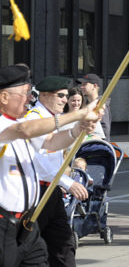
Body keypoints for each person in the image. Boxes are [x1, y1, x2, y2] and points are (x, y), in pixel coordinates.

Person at [0, 65, 102, 267]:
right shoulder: (8, 124)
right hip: (4, 223)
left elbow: (52, 142)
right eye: (24, 93)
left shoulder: (20, 121)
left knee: (45, 258)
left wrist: (77, 129)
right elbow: (24, 130)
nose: (29, 98)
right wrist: (78, 114)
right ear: (4, 97)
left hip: (27, 221)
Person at [25, 76, 91, 267]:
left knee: (63, 243)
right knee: (29, 247)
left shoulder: (54, 119)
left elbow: (57, 146)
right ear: (44, 95)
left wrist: (80, 129)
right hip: (37, 193)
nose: (65, 100)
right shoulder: (34, 118)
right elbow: (38, 161)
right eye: (61, 96)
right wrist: (67, 183)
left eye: (66, 96)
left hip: (51, 191)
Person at [77, 73, 111, 141]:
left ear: (94, 86)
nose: (81, 87)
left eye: (85, 84)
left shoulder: (101, 105)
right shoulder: (86, 104)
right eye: (81, 84)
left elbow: (105, 129)